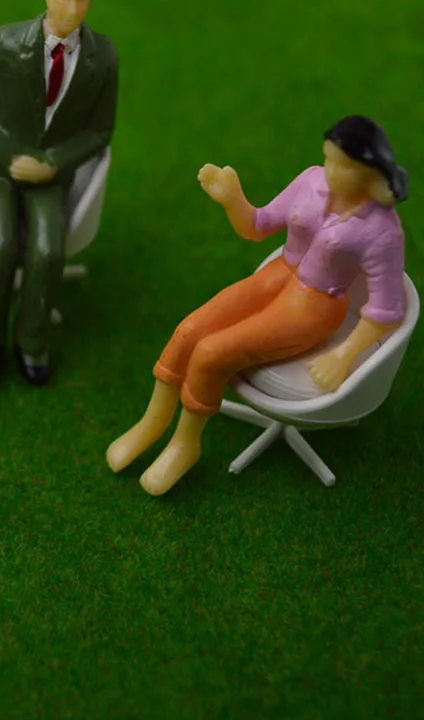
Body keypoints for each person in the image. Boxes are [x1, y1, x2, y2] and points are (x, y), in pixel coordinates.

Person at [106, 116, 408, 495]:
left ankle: (185, 444)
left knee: (211, 353)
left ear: (371, 169)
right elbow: (258, 225)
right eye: (328, 158)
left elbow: (386, 311)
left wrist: (343, 355)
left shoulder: (382, 230)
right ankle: (152, 422)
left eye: (344, 165)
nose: (331, 171)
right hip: (276, 275)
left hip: (316, 303)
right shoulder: (311, 180)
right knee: (189, 330)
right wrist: (233, 199)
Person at [0, 0, 118, 392]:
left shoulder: (102, 56)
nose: (71, 9)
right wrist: (12, 157)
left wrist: (53, 163)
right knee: (0, 244)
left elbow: (100, 131)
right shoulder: (5, 43)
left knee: (48, 251)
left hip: (50, 174)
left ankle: (32, 341)